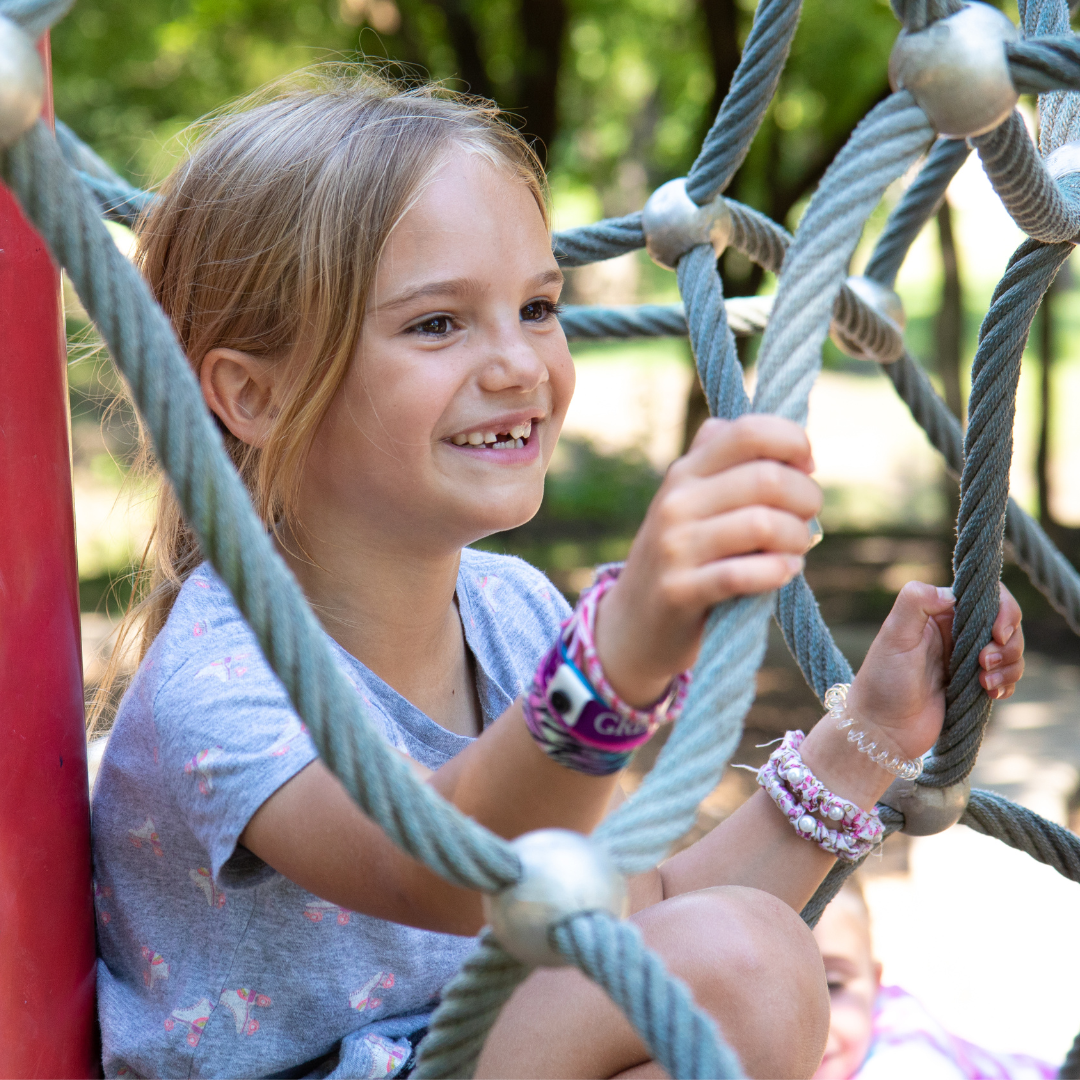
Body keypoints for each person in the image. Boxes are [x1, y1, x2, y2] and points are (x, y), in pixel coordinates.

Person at [89, 71, 1026, 1080]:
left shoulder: (510, 613)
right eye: (438, 323)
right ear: (250, 394)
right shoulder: (220, 681)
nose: (520, 365)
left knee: (753, 957)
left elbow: (640, 905)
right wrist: (614, 660)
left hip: (480, 1052)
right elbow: (444, 866)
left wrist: (868, 737)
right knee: (740, 959)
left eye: (538, 307)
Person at [812, 877, 1054, 1079]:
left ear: (876, 984)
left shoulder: (906, 1057)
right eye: (774, 991)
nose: (801, 1021)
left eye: (831, 985)